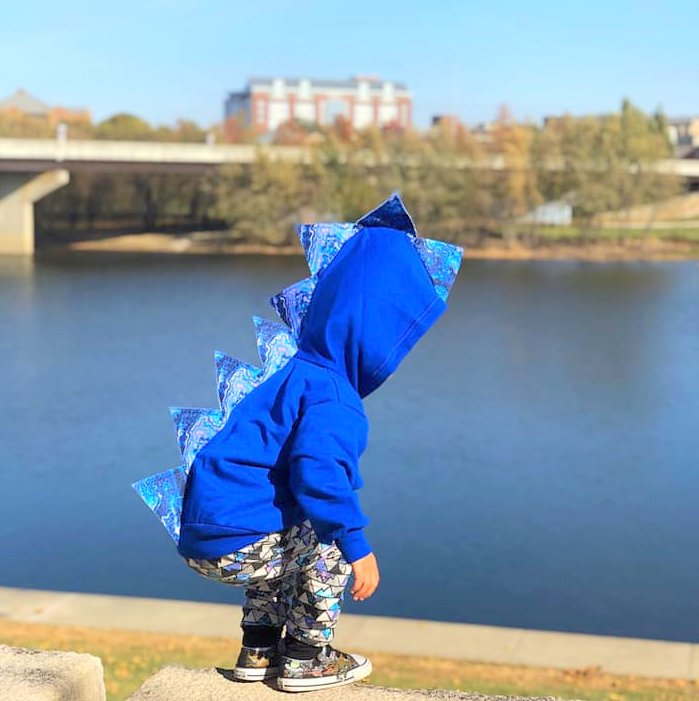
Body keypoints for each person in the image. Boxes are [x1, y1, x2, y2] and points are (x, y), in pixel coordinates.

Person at [132, 193, 462, 693]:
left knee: (287, 523)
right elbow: (320, 475)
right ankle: (308, 657)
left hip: (206, 540)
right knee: (324, 538)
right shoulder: (333, 395)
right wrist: (356, 546)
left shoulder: (293, 374)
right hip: (237, 540)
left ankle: (258, 648)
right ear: (374, 335)